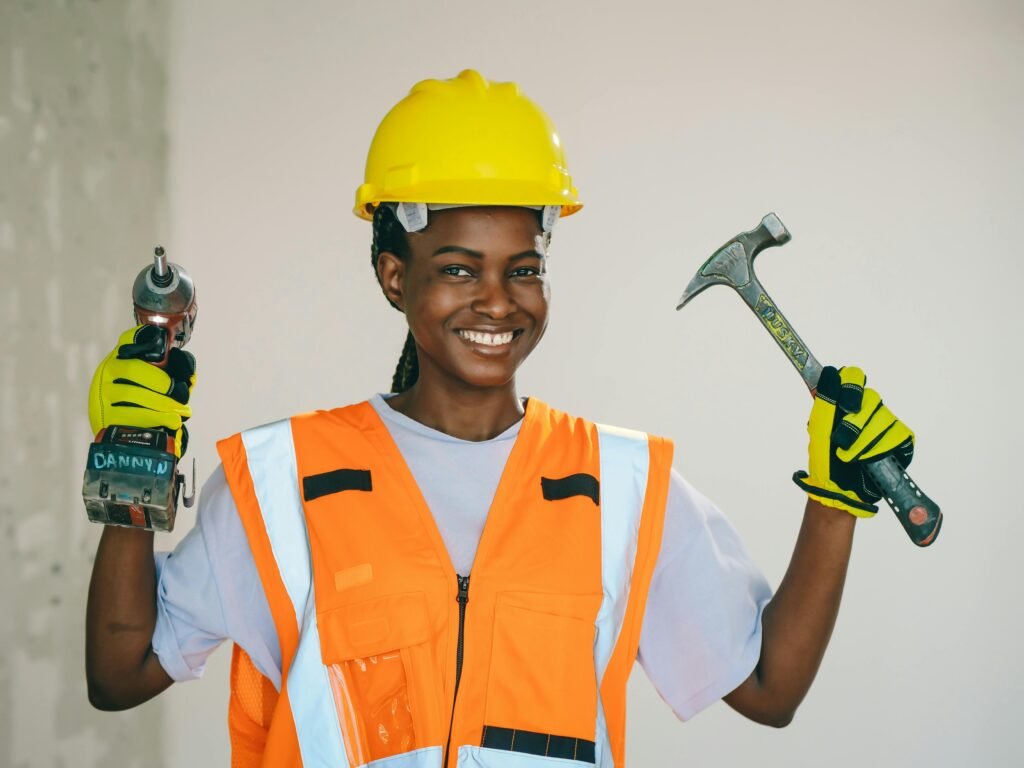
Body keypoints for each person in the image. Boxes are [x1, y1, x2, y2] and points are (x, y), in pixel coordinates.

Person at [85, 70, 914, 767]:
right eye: (457, 267)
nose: (495, 301)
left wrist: (836, 502)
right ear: (392, 276)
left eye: (523, 269)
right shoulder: (276, 481)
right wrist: (131, 463)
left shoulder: (623, 486)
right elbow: (119, 672)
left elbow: (768, 690)